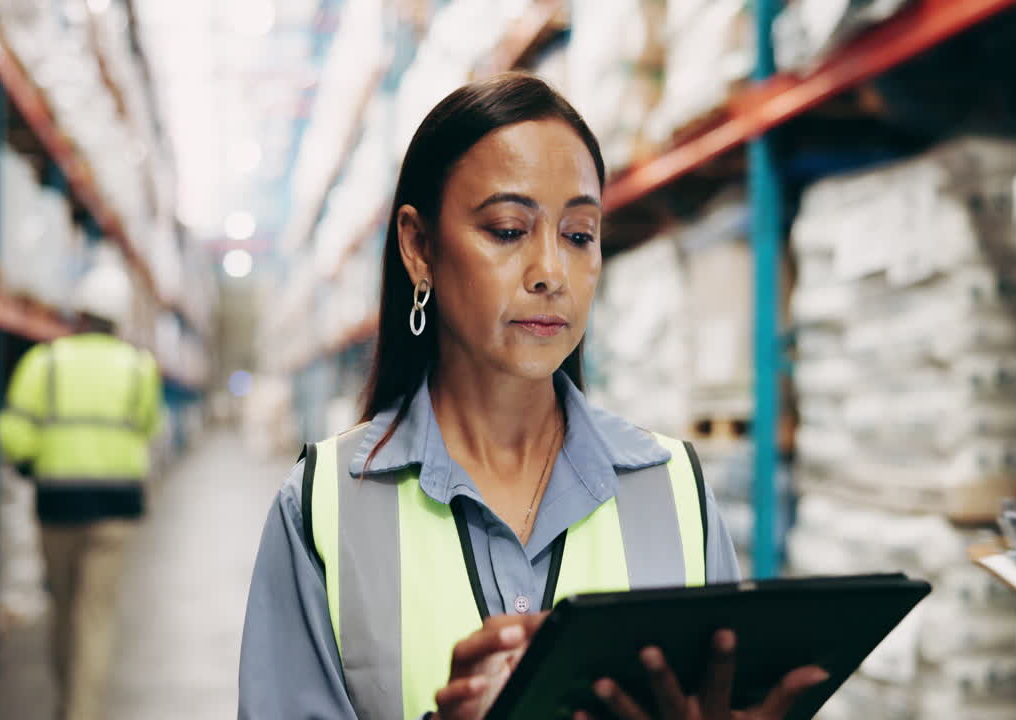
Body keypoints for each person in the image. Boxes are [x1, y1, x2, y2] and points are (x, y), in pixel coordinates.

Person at [238, 73, 828, 720]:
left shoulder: (673, 490)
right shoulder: (324, 508)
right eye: (508, 230)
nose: (551, 273)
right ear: (419, 247)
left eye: (579, 236)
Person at [0, 260, 162, 720]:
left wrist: (33, 461)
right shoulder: (140, 367)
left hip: (58, 503)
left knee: (64, 608)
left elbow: (12, 433)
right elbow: (149, 426)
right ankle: (80, 711)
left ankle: (69, 704)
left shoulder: (43, 362)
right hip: (117, 506)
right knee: (95, 616)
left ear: (80, 314)